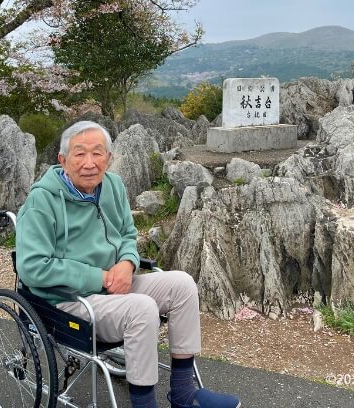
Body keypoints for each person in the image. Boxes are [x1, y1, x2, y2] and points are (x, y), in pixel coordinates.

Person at [16, 121, 241, 408]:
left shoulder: (113, 186)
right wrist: (100, 277)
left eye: (98, 154)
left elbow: (126, 235)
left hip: (116, 284)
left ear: (108, 158)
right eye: (79, 154)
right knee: (142, 308)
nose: (89, 163)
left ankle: (184, 394)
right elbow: (33, 267)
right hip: (68, 300)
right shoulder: (42, 201)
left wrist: (127, 262)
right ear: (63, 160)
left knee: (183, 284)